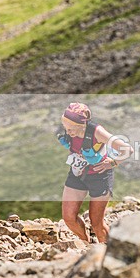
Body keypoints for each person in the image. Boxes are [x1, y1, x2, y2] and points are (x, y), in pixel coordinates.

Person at [57, 102, 132, 243]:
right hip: (77, 174)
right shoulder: (69, 131)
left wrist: (113, 163)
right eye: (66, 128)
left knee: (96, 223)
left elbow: (127, 149)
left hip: (100, 177)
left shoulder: (97, 132)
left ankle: (109, 253)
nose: (69, 132)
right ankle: (86, 245)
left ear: (82, 124)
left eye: (72, 129)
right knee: (68, 218)